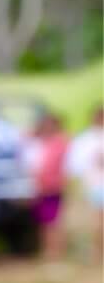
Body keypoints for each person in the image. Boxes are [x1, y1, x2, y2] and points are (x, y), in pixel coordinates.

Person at [24, 109, 71, 259]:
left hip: (52, 187)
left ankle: (55, 252)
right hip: (38, 187)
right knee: (43, 222)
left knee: (52, 222)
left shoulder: (60, 143)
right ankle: (46, 251)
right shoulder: (38, 143)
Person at [66, 103, 104, 261]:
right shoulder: (85, 140)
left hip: (95, 183)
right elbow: (75, 165)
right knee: (97, 219)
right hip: (94, 184)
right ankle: (98, 251)